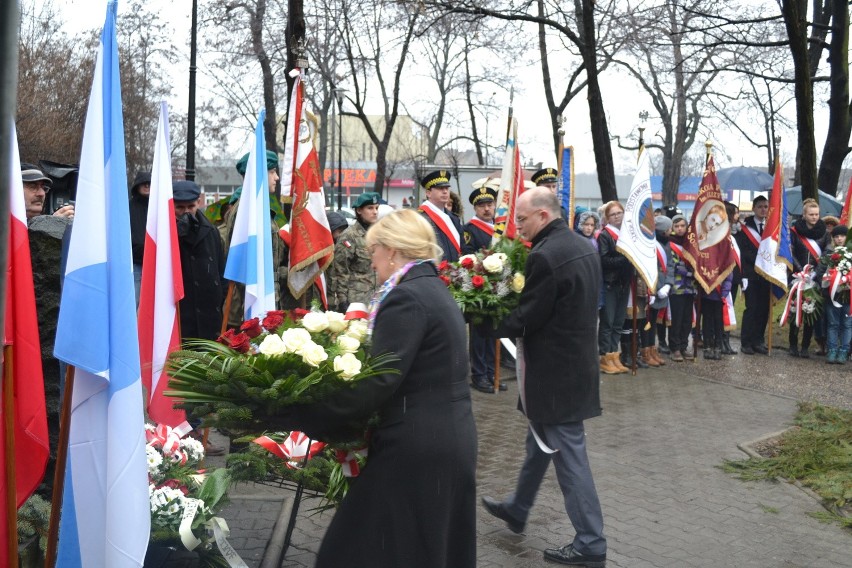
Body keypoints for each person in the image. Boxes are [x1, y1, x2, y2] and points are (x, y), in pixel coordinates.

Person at [278, 209, 478, 567]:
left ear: (393, 250)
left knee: (354, 548)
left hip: (416, 445)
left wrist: (306, 412)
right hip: (441, 437)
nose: (371, 263)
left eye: (373, 252)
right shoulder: (432, 288)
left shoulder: (407, 298)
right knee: (420, 548)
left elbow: (379, 381)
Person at [480, 188, 607, 567]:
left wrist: (480, 319)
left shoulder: (546, 255)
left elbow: (527, 317)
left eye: (520, 219)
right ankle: (519, 507)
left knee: (569, 456)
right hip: (573, 365)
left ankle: (590, 542)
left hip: (554, 374)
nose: (516, 225)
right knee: (539, 443)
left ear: (541, 215)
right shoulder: (582, 244)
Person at [172, 180, 226, 341]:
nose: (186, 212)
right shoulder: (165, 233)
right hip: (182, 313)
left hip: (209, 315)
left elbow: (220, 268)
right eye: (180, 208)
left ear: (198, 203)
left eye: (190, 207)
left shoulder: (211, 231)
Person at [462, 181, 502, 393]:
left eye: (490, 204)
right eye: (482, 205)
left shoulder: (500, 226)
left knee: (493, 332)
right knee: (479, 334)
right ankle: (479, 375)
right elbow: (466, 254)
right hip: (479, 288)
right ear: (475, 208)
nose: (487, 209)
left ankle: (492, 372)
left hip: (498, 287)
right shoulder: (470, 229)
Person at [788, 198, 829, 357]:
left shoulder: (824, 233)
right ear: (804, 215)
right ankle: (793, 345)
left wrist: (815, 273)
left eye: (817, 214)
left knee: (811, 311)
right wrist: (801, 272)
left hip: (815, 278)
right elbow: (790, 253)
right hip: (797, 277)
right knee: (795, 310)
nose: (814, 217)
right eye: (811, 214)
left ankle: (805, 346)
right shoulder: (794, 231)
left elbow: (827, 254)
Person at [328, 192, 380, 312]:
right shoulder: (349, 236)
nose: (375, 211)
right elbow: (340, 271)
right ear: (359, 211)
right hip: (357, 300)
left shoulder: (379, 234)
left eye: (377, 208)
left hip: (377, 299)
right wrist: (342, 301)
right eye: (370, 208)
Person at [597, 201, 633, 374]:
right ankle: (604, 356)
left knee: (619, 322)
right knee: (608, 322)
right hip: (610, 283)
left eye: (619, 213)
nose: (617, 216)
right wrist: (625, 258)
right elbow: (604, 260)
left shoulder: (628, 234)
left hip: (624, 283)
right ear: (607, 217)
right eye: (613, 214)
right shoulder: (605, 235)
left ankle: (614, 355)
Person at [736, 195, 771, 355]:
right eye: (760, 206)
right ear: (753, 208)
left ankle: (758, 340)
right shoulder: (745, 228)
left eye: (766, 206)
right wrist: (743, 275)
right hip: (750, 274)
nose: (763, 209)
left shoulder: (771, 227)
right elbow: (742, 253)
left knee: (764, 309)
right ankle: (746, 342)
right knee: (752, 308)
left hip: (766, 275)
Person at [817, 224, 851, 363]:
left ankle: (844, 351)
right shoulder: (828, 254)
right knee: (832, 323)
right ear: (833, 239)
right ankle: (831, 350)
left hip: (849, 295)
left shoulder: (850, 254)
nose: (839, 239)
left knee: (847, 324)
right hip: (832, 295)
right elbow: (820, 272)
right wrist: (826, 282)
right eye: (836, 236)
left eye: (842, 236)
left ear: (847, 237)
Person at [419, 170, 464, 262]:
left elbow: (462, 247)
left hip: (455, 271)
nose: (445, 192)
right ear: (428, 193)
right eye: (440, 188)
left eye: (447, 188)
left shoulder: (454, 218)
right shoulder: (421, 218)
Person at [668, 214, 696, 362]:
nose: (680, 229)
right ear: (672, 228)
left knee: (687, 319)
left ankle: (684, 346)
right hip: (676, 287)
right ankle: (675, 348)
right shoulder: (670, 244)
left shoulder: (690, 243)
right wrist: (693, 273)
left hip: (690, 288)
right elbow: (675, 265)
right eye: (676, 226)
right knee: (677, 319)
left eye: (682, 226)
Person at [128, 170, 151, 304]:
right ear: (137, 185)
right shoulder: (129, 207)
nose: (147, 186)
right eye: (144, 183)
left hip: (154, 262)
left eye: (149, 183)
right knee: (134, 301)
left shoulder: (158, 207)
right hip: (135, 261)